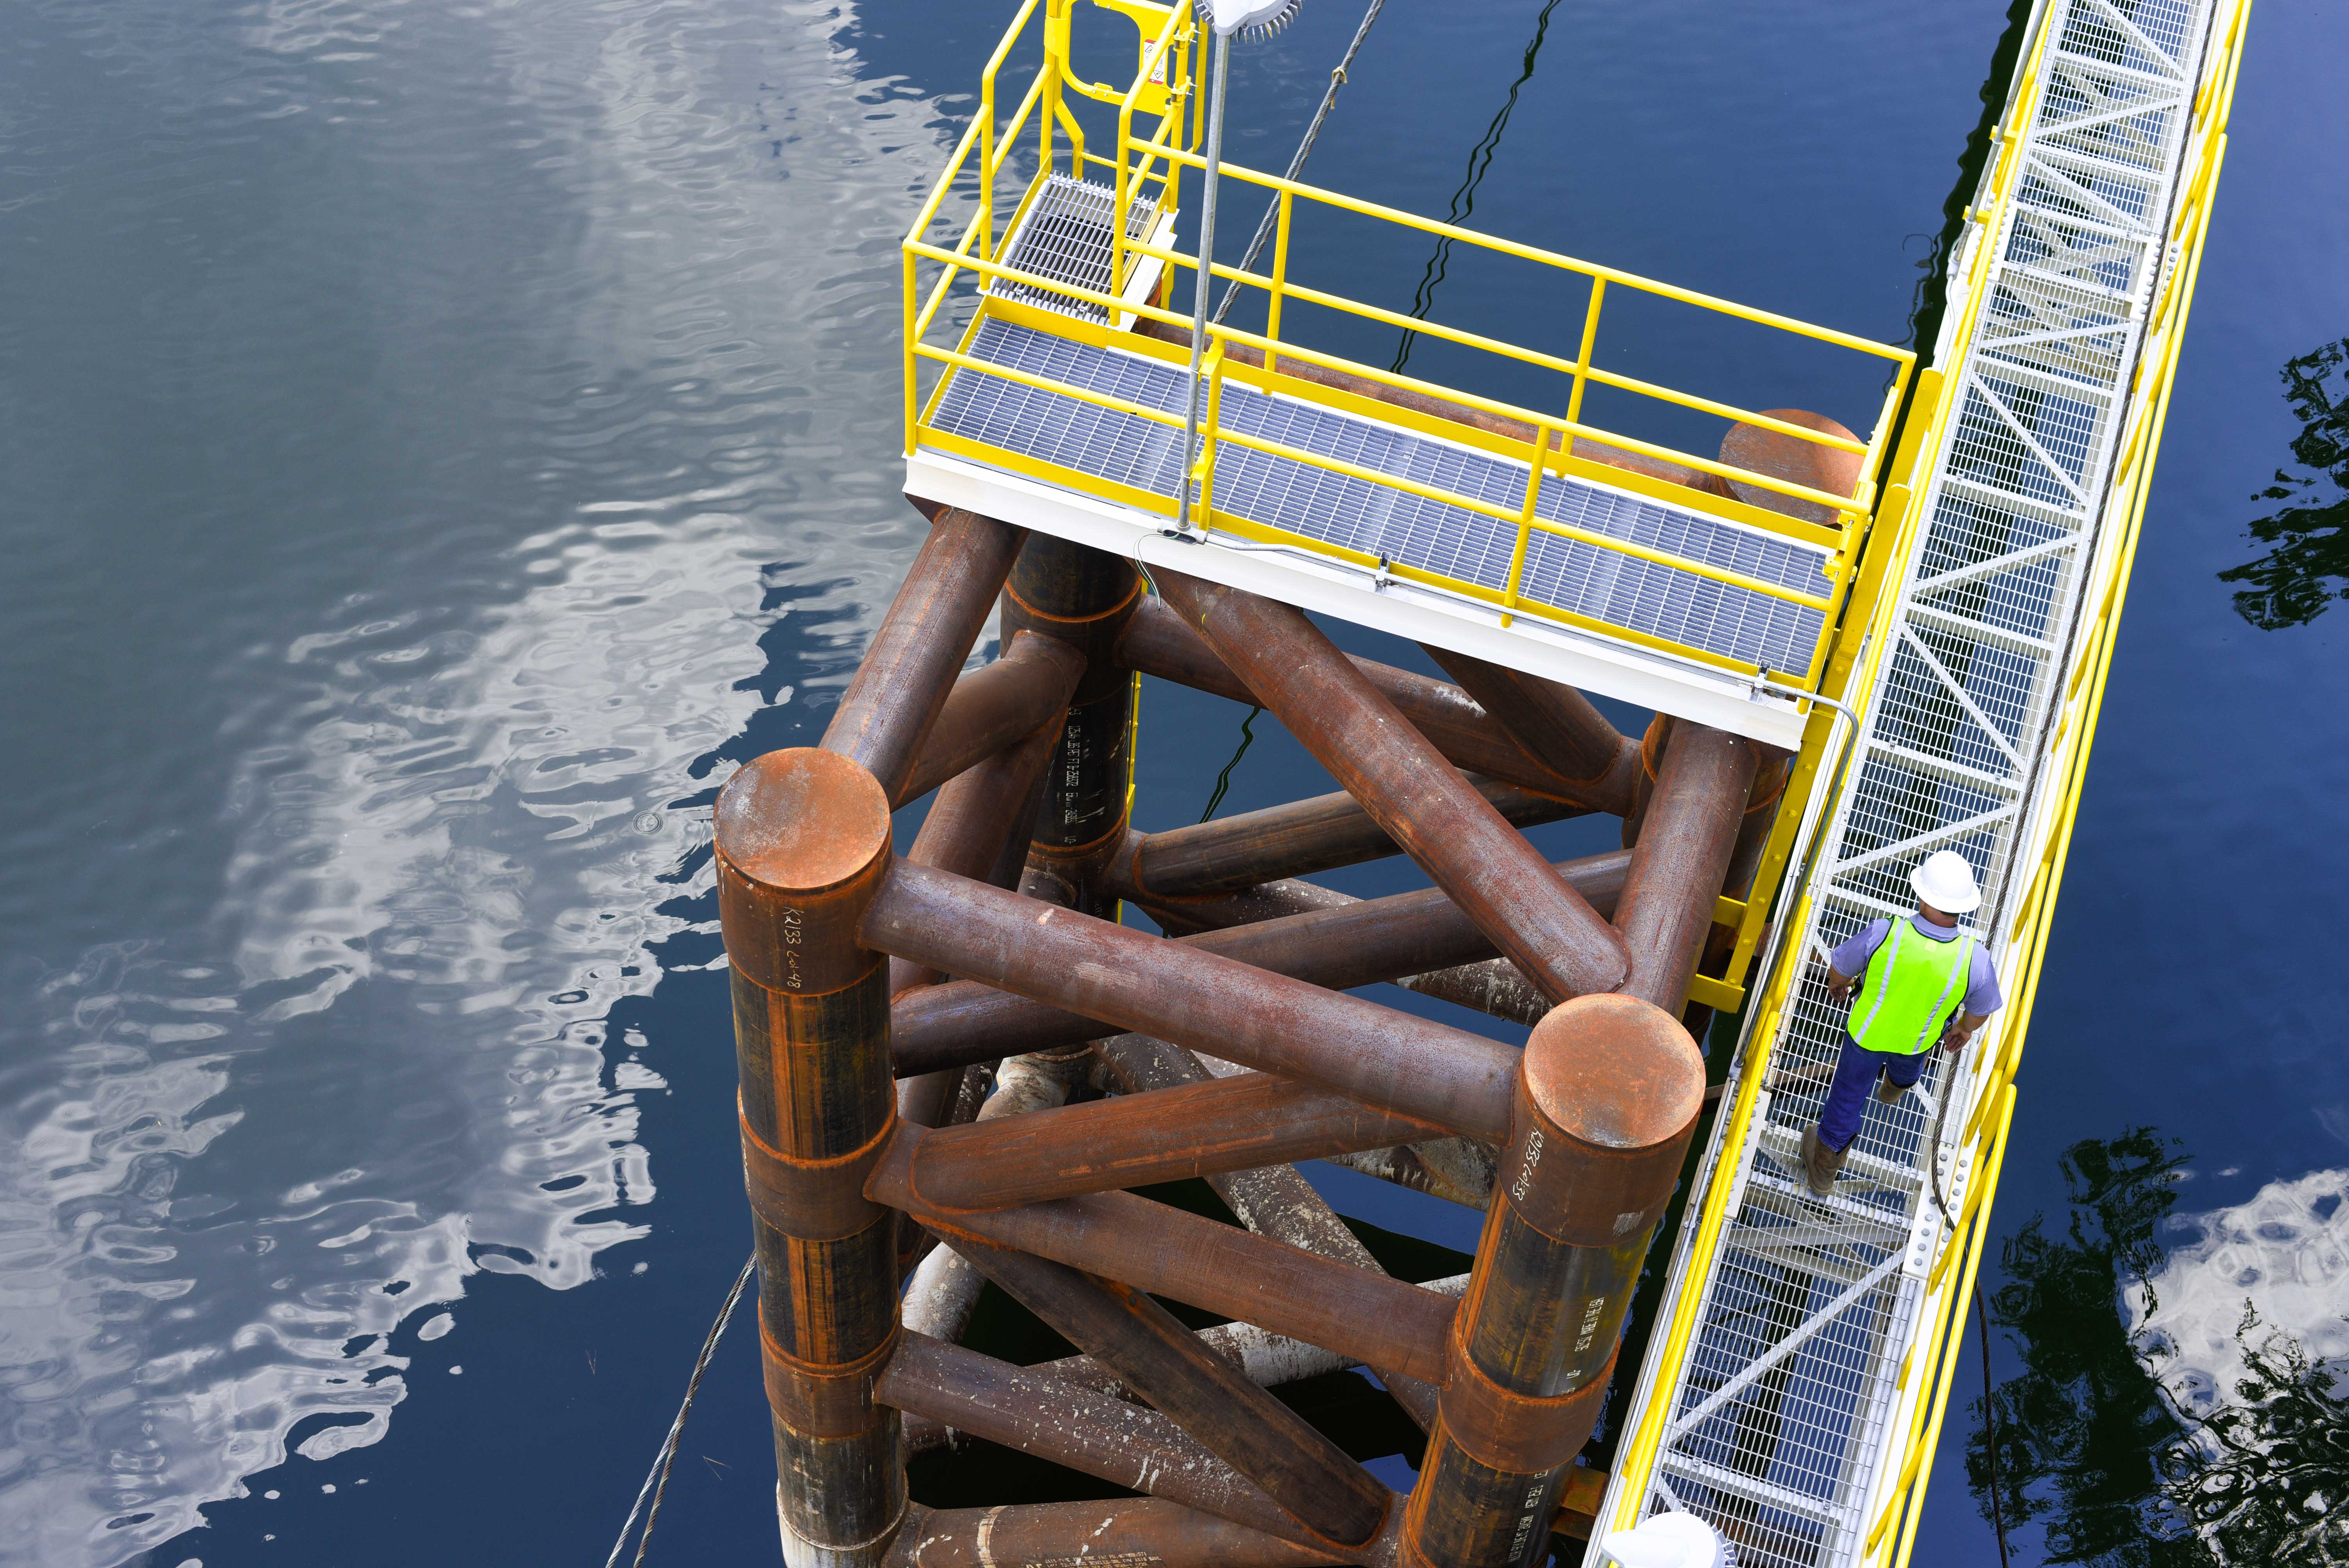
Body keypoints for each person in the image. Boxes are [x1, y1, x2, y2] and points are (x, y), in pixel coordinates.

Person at [1800, 849, 2003, 1197]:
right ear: (1964, 907)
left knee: (1847, 1097)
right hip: (1917, 1041)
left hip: (1865, 1037)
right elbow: (1981, 1009)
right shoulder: (1975, 959)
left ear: (1921, 895)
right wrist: (1965, 1029)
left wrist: (1838, 984)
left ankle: (1823, 1170)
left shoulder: (1885, 932)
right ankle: (1893, 1089)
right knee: (1909, 1065)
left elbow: (1842, 967)